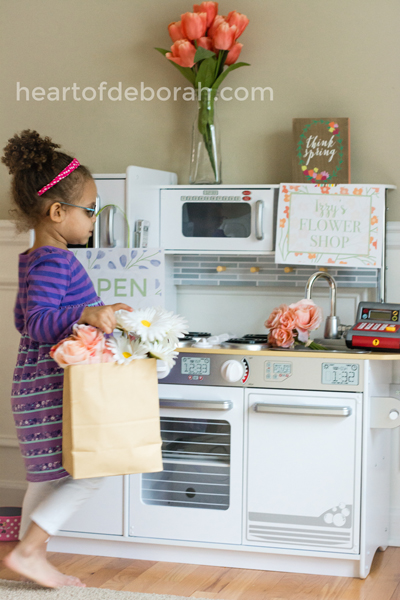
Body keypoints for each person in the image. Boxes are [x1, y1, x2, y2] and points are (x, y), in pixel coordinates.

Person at [1, 130, 133, 588]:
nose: (94, 219)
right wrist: (87, 312)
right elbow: (40, 321)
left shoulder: (36, 258)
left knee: (45, 476)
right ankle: (31, 550)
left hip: (33, 389)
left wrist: (97, 312)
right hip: (53, 391)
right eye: (91, 209)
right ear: (58, 212)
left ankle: (30, 557)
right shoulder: (57, 262)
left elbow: (31, 321)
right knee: (92, 470)